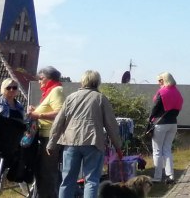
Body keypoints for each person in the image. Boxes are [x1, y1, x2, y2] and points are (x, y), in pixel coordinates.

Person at [48, 71, 121, 198]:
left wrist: (51, 143)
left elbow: (58, 123)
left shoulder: (71, 98)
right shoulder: (101, 98)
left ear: (83, 81)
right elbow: (111, 125)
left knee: (67, 180)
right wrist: (118, 146)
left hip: (71, 142)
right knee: (91, 181)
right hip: (93, 142)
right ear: (97, 82)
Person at [28, 65, 66, 198]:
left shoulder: (56, 90)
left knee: (47, 173)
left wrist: (38, 115)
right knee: (41, 172)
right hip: (44, 136)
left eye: (41, 78)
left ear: (49, 79)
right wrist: (35, 111)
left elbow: (60, 112)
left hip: (51, 138)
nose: (39, 81)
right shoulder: (49, 92)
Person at [149, 72, 184, 184]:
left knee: (157, 150)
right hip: (173, 123)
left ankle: (157, 177)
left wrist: (149, 119)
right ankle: (170, 175)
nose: (158, 83)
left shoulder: (162, 92)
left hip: (160, 123)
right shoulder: (178, 93)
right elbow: (178, 109)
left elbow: (155, 107)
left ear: (164, 80)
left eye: (160, 80)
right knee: (167, 150)